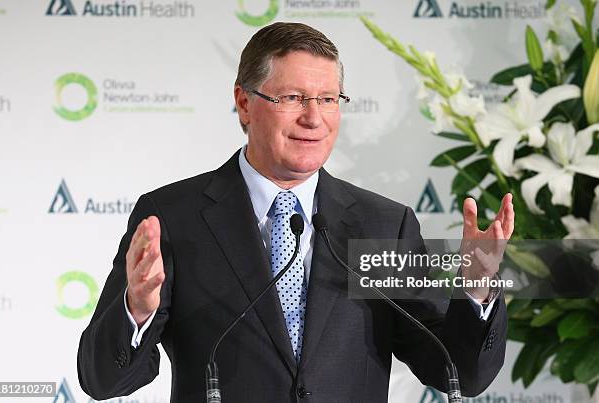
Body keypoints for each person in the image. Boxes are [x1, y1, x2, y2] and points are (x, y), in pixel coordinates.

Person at [77, 22, 514, 402]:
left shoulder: (383, 224)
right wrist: (135, 309)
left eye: (328, 99)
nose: (314, 118)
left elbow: (458, 373)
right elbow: (102, 381)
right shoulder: (173, 217)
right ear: (245, 103)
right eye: (292, 97)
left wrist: (476, 291)